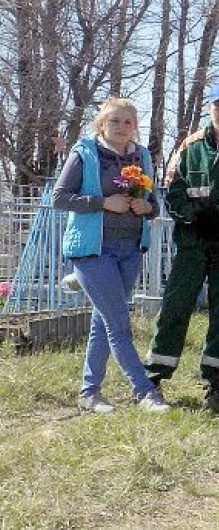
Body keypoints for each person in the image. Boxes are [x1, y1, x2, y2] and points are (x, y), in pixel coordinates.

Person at [145, 80, 219, 405]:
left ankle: (214, 381)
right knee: (175, 306)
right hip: (192, 242)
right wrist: (195, 217)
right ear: (209, 108)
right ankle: (154, 377)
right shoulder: (190, 145)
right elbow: (172, 188)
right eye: (218, 106)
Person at [52, 97, 169, 413]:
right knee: (119, 324)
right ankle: (144, 391)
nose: (121, 127)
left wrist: (147, 207)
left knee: (103, 323)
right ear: (102, 123)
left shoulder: (141, 156)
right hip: (92, 250)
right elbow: (59, 198)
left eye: (128, 122)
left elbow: (154, 204)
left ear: (135, 127)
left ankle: (89, 392)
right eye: (114, 121)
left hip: (129, 249)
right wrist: (103, 202)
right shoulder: (85, 154)